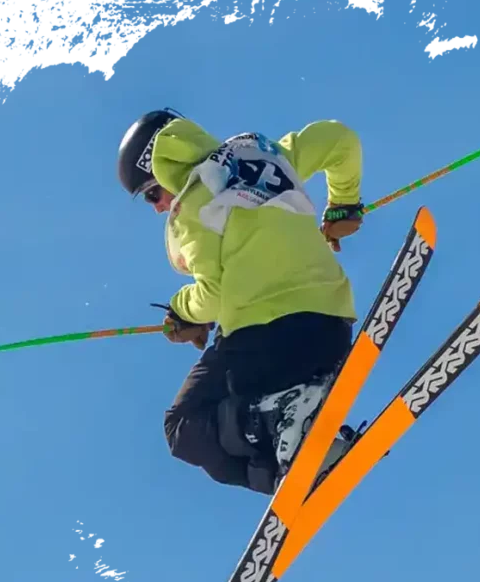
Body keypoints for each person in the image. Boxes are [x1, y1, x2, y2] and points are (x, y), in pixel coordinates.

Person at [117, 108, 365, 495]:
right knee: (226, 415)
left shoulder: (193, 204)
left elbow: (213, 295)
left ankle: (285, 425)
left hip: (264, 342)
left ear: (163, 168)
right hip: (330, 327)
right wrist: (344, 204)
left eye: (152, 192)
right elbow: (339, 139)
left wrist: (182, 313)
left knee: (184, 426)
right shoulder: (266, 153)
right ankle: (312, 448)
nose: (158, 207)